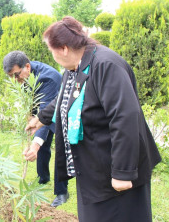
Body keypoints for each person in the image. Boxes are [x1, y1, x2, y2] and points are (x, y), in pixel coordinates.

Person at [25, 16, 161, 222]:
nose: (51, 56)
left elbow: (125, 117)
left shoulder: (106, 65)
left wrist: (123, 171)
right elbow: (65, 97)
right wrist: (41, 119)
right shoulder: (75, 68)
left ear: (63, 48)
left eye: (51, 51)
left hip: (116, 171)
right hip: (93, 171)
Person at [3, 51, 69, 207]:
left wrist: (35, 144)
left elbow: (45, 113)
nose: (15, 80)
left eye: (16, 75)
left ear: (27, 66)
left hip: (60, 113)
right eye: (11, 77)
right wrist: (29, 116)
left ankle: (61, 192)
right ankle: (43, 177)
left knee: (59, 149)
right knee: (43, 146)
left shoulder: (49, 79)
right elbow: (32, 102)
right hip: (44, 112)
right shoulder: (24, 75)